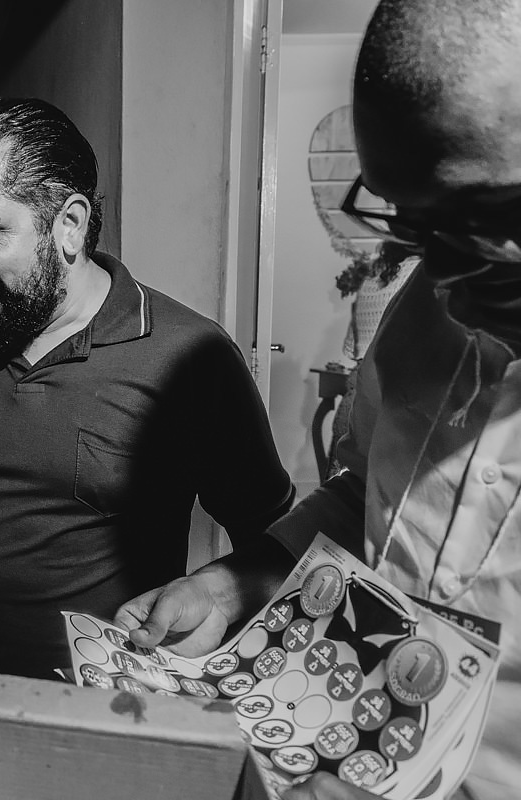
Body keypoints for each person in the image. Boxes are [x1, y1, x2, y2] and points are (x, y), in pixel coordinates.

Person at [116, 2, 521, 798]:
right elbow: (362, 499)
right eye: (409, 224)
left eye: (474, 220)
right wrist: (233, 584)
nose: (437, 277)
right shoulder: (414, 322)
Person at [0, 99, 294, 799]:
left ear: (67, 225)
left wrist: (214, 605)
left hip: (92, 756)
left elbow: (278, 542)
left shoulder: (188, 358)